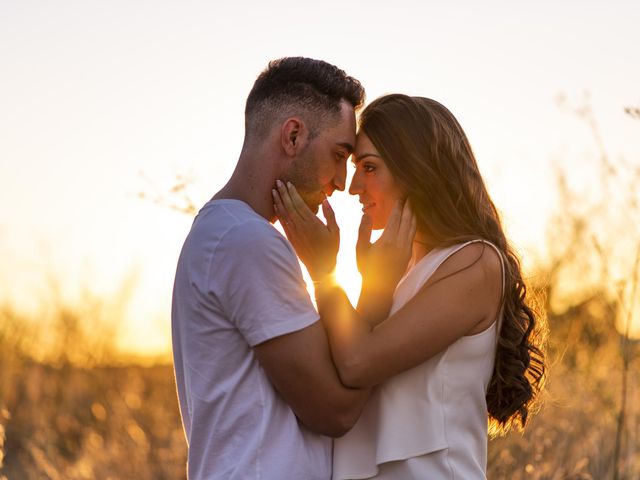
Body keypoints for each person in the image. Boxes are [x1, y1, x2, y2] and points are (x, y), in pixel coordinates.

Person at [273, 94, 547, 479]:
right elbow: (342, 371)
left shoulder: (475, 263)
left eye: (369, 167)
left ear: (417, 170)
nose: (353, 187)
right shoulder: (400, 271)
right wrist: (373, 284)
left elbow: (357, 363)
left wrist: (323, 274)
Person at [171, 57, 374, 480]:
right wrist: (363, 285)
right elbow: (335, 411)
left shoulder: (218, 232)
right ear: (294, 135)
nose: (340, 180)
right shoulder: (247, 242)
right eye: (340, 155)